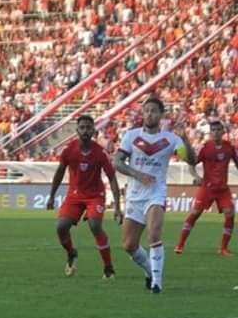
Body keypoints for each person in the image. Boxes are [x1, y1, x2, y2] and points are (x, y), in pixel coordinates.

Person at [113, 97, 196, 294]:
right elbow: (117, 162)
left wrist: (185, 139)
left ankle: (157, 283)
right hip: (134, 195)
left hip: (156, 194)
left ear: (161, 115)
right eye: (146, 110)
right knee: (129, 245)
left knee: (154, 233)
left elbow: (191, 159)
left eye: (153, 111)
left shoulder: (171, 139)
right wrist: (137, 174)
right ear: (142, 114)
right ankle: (150, 271)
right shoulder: (131, 136)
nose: (149, 114)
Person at [46, 115, 123, 279]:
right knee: (61, 226)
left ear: (94, 130)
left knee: (95, 225)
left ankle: (108, 268)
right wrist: (51, 196)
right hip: (74, 196)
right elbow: (59, 172)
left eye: (88, 127)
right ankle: (71, 253)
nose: (85, 131)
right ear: (77, 131)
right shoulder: (69, 150)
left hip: (95, 196)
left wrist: (117, 207)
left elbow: (112, 178)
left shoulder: (100, 153)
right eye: (82, 127)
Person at [175, 120, 236, 256]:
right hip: (207, 187)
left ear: (223, 132)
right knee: (195, 213)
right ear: (210, 133)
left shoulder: (229, 147)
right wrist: (196, 176)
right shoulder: (205, 148)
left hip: (222, 189)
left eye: (218, 130)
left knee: (230, 214)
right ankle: (180, 244)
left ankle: (223, 248)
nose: (215, 133)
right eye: (213, 130)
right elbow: (192, 164)